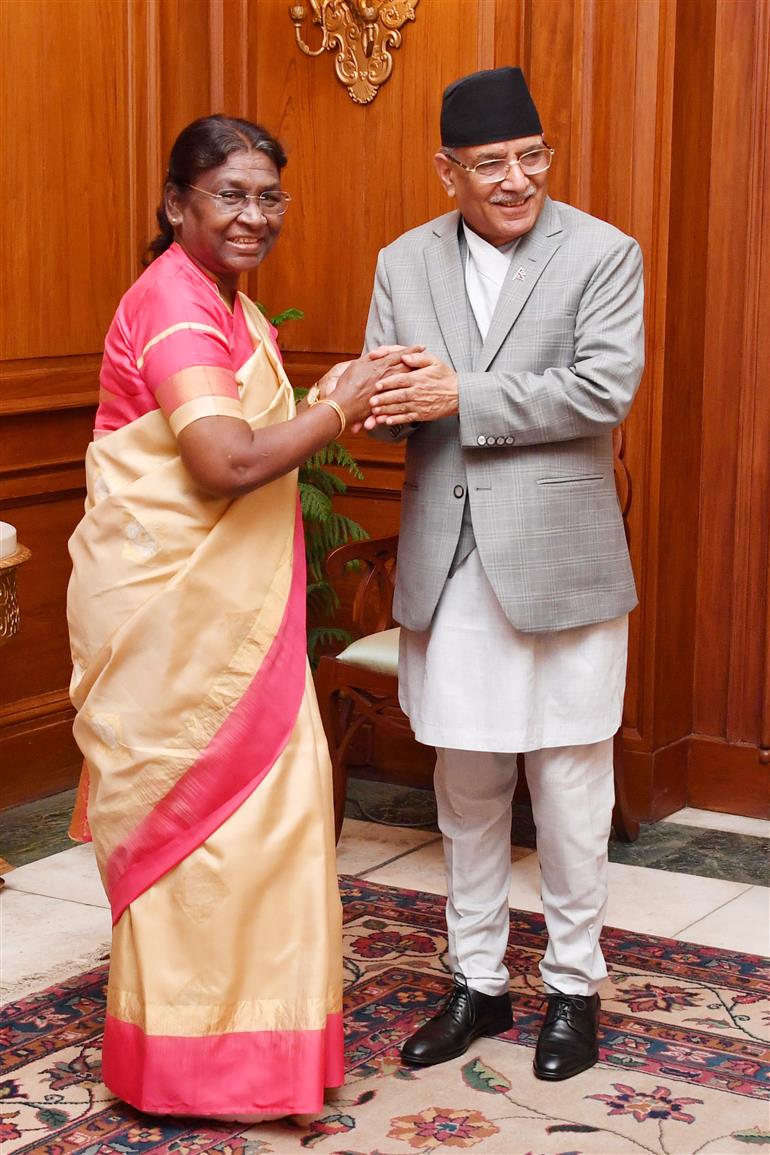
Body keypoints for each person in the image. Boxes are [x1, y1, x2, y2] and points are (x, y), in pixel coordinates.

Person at [66, 115, 412, 1119]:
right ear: (177, 203)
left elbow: (244, 429)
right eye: (231, 195)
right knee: (215, 844)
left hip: (228, 626)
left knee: (272, 830)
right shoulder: (173, 302)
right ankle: (190, 1069)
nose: (254, 214)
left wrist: (327, 394)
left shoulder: (224, 301)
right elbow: (223, 465)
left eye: (269, 196)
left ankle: (261, 1065)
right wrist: (339, 410)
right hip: (177, 629)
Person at [363, 67, 645, 1080]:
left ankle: (572, 987)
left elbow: (601, 387)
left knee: (569, 786)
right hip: (447, 567)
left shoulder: (604, 252)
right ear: (448, 172)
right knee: (466, 783)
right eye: (490, 165)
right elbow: (385, 382)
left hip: (560, 566)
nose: (517, 180)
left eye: (531, 158)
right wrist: (397, 393)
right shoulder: (402, 261)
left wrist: (459, 393)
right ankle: (475, 982)